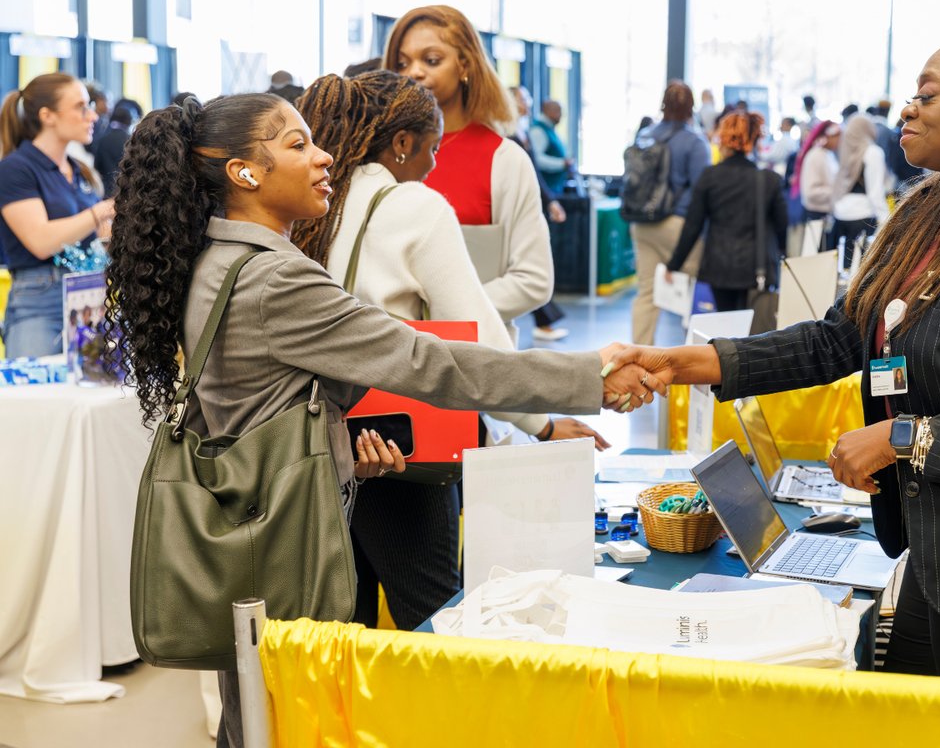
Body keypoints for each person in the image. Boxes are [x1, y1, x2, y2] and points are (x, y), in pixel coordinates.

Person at [100, 93, 660, 747]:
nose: (322, 155)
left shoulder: (214, 264)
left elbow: (246, 408)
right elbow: (428, 362)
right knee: (288, 716)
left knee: (254, 714)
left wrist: (336, 444)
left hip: (249, 536)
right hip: (288, 547)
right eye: (295, 144)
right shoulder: (277, 281)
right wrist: (589, 372)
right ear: (243, 172)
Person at [607, 27, 940, 685]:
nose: (906, 109)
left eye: (927, 94)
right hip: (938, 547)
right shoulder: (931, 214)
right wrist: (688, 361)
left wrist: (900, 436)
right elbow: (840, 337)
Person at [292, 71, 606, 627]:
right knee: (434, 616)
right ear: (403, 143)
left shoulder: (313, 202)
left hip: (319, 446)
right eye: (433, 148)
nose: (436, 165)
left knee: (347, 627)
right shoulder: (414, 205)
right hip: (402, 450)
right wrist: (544, 424)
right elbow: (478, 343)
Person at [383, 5, 552, 340]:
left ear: (464, 65)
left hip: (475, 363)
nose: (414, 72)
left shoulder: (504, 160)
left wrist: (436, 317)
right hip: (386, 361)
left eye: (431, 60)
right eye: (402, 63)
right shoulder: (379, 157)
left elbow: (534, 279)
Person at [0, 73, 114, 357]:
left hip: (90, 298)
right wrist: (102, 210)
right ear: (47, 115)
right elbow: (40, 240)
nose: (92, 116)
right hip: (40, 300)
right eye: (80, 107)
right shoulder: (16, 169)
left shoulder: (78, 170)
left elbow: (97, 234)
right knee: (37, 399)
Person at [665, 111, 786, 315]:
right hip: (757, 268)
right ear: (753, 140)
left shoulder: (709, 176)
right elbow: (782, 226)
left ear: (723, 139)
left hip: (719, 266)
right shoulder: (769, 180)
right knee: (755, 332)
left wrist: (674, 264)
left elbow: (693, 226)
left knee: (726, 325)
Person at [629, 80, 711, 344]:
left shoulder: (645, 135)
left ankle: (638, 366)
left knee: (646, 294)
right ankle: (691, 364)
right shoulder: (695, 142)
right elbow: (702, 190)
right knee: (693, 290)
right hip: (676, 223)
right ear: (691, 108)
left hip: (641, 222)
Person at [509, 85, 569, 341]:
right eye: (523, 98)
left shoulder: (522, 131)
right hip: (511, 207)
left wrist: (550, 201)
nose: (528, 102)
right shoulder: (505, 132)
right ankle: (543, 319)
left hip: (528, 203)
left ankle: (544, 320)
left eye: (528, 97)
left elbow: (534, 171)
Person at [829, 114, 887, 267]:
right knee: (859, 272)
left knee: (843, 270)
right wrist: (886, 220)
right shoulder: (873, 152)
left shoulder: (846, 150)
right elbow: (875, 192)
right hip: (862, 217)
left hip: (840, 215)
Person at [790, 119, 840, 257]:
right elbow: (810, 192)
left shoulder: (827, 155)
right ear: (827, 136)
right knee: (816, 261)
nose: (839, 140)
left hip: (826, 215)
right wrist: (837, 192)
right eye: (836, 136)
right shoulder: (815, 156)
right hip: (817, 217)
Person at [93, 98, 143, 196]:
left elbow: (97, 166)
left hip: (106, 189)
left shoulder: (103, 139)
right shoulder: (131, 140)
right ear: (129, 122)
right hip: (125, 189)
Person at [529, 99, 572, 195]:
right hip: (545, 190)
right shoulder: (538, 130)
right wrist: (562, 164)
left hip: (554, 188)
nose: (561, 115)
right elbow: (537, 159)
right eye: (558, 111)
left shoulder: (549, 128)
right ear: (548, 111)